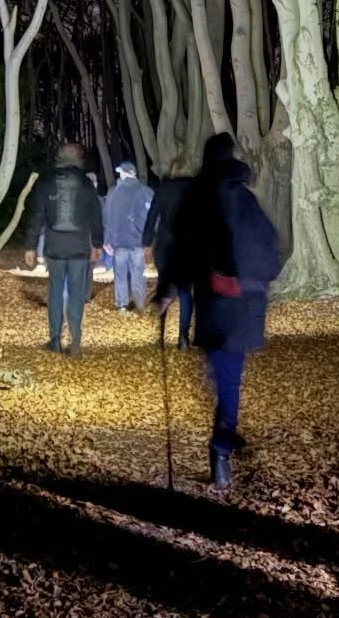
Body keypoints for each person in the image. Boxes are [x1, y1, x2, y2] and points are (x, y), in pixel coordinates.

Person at [158, 132, 281, 489]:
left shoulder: (200, 199)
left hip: (217, 301)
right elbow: (270, 247)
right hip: (248, 301)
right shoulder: (246, 199)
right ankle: (225, 431)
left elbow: (184, 249)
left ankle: (221, 447)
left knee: (224, 374)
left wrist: (169, 290)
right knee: (230, 373)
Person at [23, 143, 102, 357]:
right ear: (79, 158)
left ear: (59, 157)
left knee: (55, 291)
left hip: (55, 247)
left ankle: (55, 339)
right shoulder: (85, 182)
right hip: (79, 247)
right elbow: (95, 215)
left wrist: (30, 246)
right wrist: (97, 243)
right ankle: (75, 340)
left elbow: (36, 215)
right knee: (77, 293)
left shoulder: (46, 181)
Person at [143, 155, 195, 347]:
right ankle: (183, 337)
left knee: (164, 287)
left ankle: (160, 336)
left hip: (165, 244)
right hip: (188, 246)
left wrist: (147, 243)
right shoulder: (197, 190)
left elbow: (152, 217)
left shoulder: (163, 189)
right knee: (185, 292)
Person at [101, 160, 154, 313]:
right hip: (139, 241)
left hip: (119, 241)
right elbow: (152, 218)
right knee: (138, 274)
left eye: (121, 173)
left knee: (120, 275)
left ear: (126, 174)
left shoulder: (114, 193)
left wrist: (107, 240)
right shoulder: (146, 192)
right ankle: (140, 304)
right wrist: (149, 239)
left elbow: (108, 218)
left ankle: (121, 304)